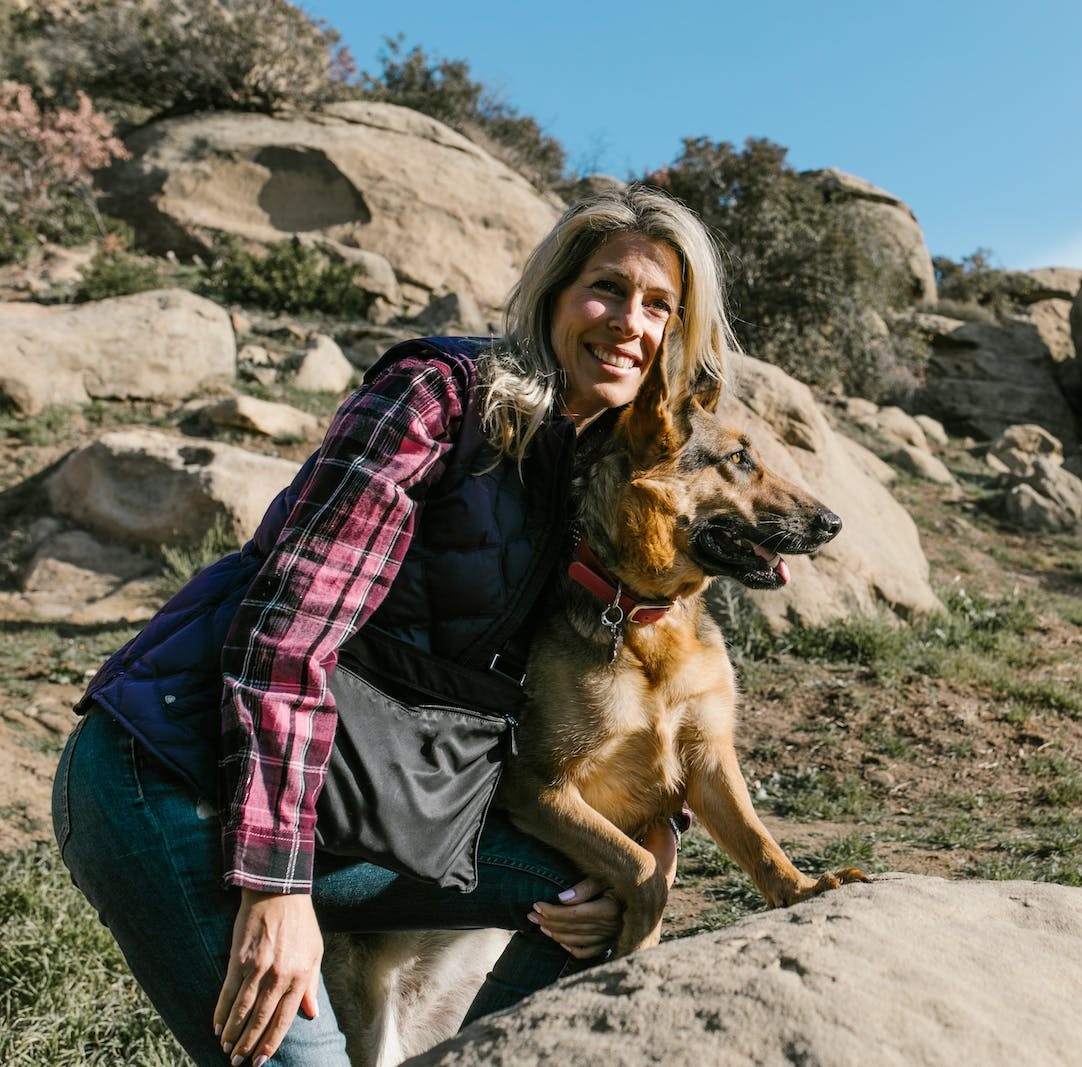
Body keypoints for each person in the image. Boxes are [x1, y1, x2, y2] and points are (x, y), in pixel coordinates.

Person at [51, 184, 740, 1066]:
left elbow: (623, 692)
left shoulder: (613, 475)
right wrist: (275, 885)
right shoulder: (438, 400)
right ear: (555, 297)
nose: (630, 323)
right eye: (607, 289)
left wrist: (654, 842)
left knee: (607, 897)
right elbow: (284, 638)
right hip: (181, 782)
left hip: (363, 809)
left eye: (660, 307)